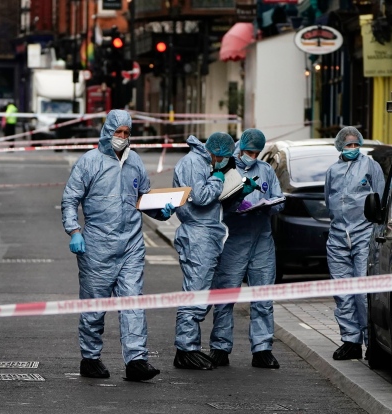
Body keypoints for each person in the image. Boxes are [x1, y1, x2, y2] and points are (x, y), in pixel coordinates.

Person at [61, 109, 164, 382]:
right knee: (94, 306)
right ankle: (90, 358)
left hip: (130, 244)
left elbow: (143, 197)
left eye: (126, 133)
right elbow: (70, 199)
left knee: (133, 303)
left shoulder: (135, 162)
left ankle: (136, 360)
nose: (122, 137)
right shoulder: (89, 162)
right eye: (118, 132)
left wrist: (161, 211)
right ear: (107, 132)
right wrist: (74, 230)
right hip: (96, 245)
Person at [208, 128, 285, 369]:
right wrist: (238, 201)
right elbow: (218, 203)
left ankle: (262, 348)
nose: (252, 155)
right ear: (240, 147)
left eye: (256, 152)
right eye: (249, 150)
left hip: (262, 239)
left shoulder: (266, 170)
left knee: (262, 297)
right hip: (235, 239)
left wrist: (268, 207)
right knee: (225, 294)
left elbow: (278, 200)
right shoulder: (227, 170)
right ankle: (220, 347)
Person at [169, 132, 236, 370]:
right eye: (224, 157)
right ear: (216, 152)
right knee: (195, 291)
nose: (226, 161)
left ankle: (189, 347)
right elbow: (200, 196)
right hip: (198, 234)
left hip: (208, 233)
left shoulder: (204, 161)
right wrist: (218, 178)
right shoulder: (193, 163)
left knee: (202, 291)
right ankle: (185, 350)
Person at [324, 126, 385, 361]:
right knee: (342, 291)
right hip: (338, 235)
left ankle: (372, 342)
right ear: (340, 146)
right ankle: (350, 340)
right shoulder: (332, 170)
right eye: (348, 145)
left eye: (355, 144)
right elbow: (329, 200)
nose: (352, 148)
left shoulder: (369, 166)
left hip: (363, 234)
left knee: (363, 290)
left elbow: (379, 199)